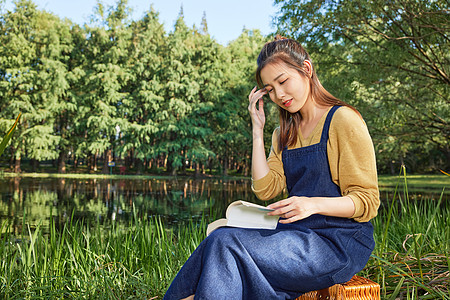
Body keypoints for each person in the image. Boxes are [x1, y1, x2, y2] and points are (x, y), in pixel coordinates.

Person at [163, 36, 380, 300]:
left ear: (307, 70)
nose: (279, 95)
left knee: (226, 244)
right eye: (270, 89)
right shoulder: (283, 134)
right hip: (294, 234)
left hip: (335, 244)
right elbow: (266, 190)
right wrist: (258, 130)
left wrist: (311, 204)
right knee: (221, 236)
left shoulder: (343, 120)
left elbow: (367, 201)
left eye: (283, 81)